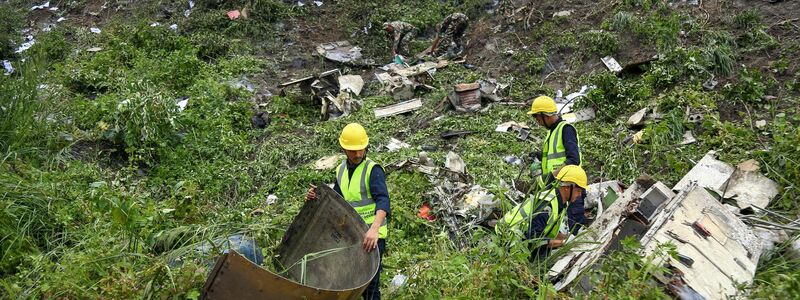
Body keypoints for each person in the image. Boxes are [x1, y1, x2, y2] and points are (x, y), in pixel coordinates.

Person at [306, 123, 390, 300]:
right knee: (349, 282)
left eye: (361, 149)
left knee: (370, 287)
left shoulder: (372, 170)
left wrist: (374, 230)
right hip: (351, 236)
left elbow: (383, 200)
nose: (358, 154)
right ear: (344, 149)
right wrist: (316, 197)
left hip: (372, 237)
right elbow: (336, 199)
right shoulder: (341, 170)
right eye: (353, 151)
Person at [497, 165, 589, 258]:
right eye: (578, 191)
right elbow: (533, 238)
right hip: (506, 237)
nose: (580, 195)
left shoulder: (559, 202)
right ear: (567, 188)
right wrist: (563, 243)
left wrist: (567, 238)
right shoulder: (547, 205)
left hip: (517, 236)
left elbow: (545, 230)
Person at [527, 95, 582, 188]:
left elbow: (573, 159)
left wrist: (551, 177)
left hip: (568, 186)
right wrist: (539, 155)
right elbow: (555, 155)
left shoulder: (566, 129)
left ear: (545, 116)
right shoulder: (551, 132)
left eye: (538, 119)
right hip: (557, 186)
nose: (538, 123)